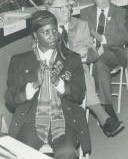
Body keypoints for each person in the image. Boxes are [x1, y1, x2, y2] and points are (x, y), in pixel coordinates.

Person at [5, 10, 91, 158]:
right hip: (30, 119)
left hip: (64, 118)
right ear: (35, 36)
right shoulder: (19, 61)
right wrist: (34, 85)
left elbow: (79, 95)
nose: (52, 36)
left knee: (67, 152)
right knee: (24, 153)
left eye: (54, 30)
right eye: (46, 32)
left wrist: (59, 83)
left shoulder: (71, 59)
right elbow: (10, 101)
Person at [45, 0, 124, 137]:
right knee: (78, 66)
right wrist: (74, 54)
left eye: (68, 6)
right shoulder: (44, 27)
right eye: (61, 8)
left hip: (76, 70)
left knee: (80, 68)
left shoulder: (81, 25)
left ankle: (102, 117)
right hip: (53, 70)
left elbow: (90, 54)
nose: (67, 10)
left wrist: (85, 53)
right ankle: (103, 117)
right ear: (50, 10)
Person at [80, 0, 128, 128]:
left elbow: (125, 37)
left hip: (114, 52)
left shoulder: (120, 12)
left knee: (99, 61)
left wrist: (103, 39)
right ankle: (107, 110)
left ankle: (103, 107)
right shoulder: (85, 13)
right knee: (98, 63)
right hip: (92, 53)